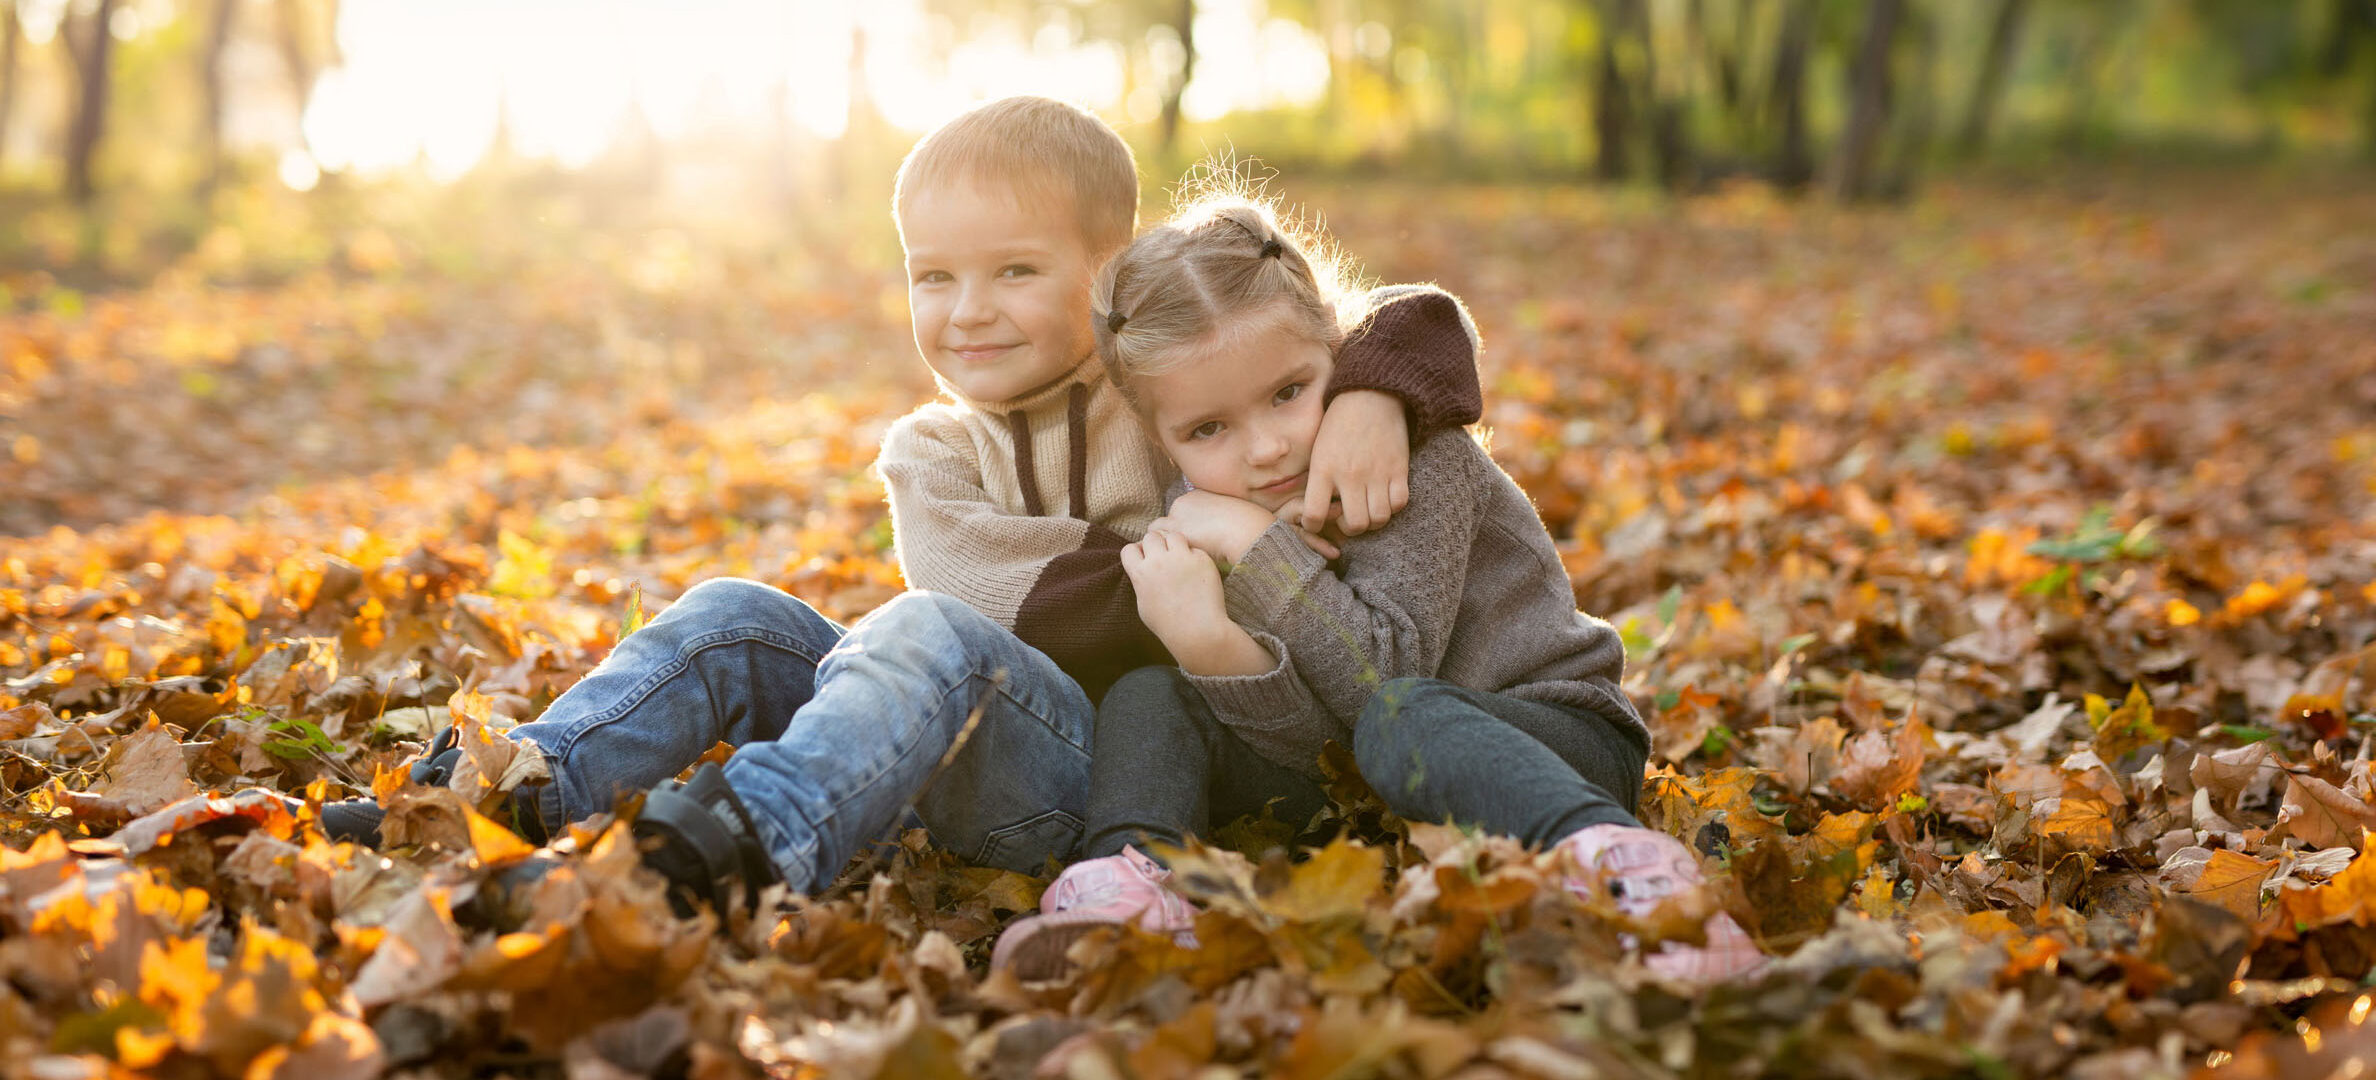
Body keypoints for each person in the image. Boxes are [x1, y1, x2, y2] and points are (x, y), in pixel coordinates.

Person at [314, 97, 1486, 919]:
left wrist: (1375, 397)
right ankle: (497, 791)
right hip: (963, 723)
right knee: (735, 615)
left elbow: (1405, 314)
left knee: (923, 637)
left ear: (1116, 276)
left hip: (1106, 779)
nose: (967, 310)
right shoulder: (928, 455)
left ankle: (742, 850)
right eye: (934, 276)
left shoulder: (1176, 393)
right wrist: (1179, 547)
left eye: (1016, 271)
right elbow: (1015, 605)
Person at [987, 191, 1765, 984]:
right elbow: (1327, 748)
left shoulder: (1415, 459)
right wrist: (1213, 649)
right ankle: (1131, 895)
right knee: (1152, 693)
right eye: (1207, 430)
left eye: (1290, 392)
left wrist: (1257, 549)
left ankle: (1629, 879)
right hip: (1377, 774)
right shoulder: (1196, 512)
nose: (1266, 448)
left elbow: (1383, 683)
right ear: (1159, 438)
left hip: (1549, 742)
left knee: (1406, 714)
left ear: (1337, 346)